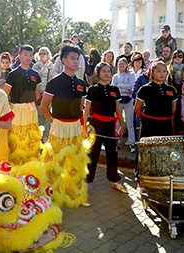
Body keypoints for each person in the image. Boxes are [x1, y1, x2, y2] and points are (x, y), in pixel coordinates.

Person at [40, 44, 89, 208]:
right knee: (55, 163)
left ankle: (74, 195)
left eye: (78, 58)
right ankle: (50, 197)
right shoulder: (55, 82)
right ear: (64, 60)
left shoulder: (82, 83)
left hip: (76, 126)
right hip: (59, 126)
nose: (76, 62)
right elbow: (44, 107)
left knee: (76, 162)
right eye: (72, 58)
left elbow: (81, 107)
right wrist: (55, 121)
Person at [84, 62, 128, 197]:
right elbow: (87, 110)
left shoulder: (115, 89)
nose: (107, 74)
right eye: (104, 71)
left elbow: (118, 110)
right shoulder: (92, 89)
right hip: (96, 125)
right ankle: (86, 183)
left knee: (112, 154)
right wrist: (83, 128)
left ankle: (115, 180)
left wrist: (121, 126)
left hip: (110, 126)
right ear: (98, 73)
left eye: (109, 71)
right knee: (93, 154)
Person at [1, 45, 43, 166]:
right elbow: (5, 95)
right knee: (18, 139)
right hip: (17, 110)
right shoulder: (13, 74)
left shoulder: (36, 74)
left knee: (32, 139)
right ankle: (16, 167)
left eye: (30, 55)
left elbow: (37, 94)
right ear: (19, 56)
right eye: (25, 55)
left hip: (31, 110)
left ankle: (31, 166)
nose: (28, 57)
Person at [134, 60, 177, 138]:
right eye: (159, 71)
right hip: (149, 124)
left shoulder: (171, 89)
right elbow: (137, 108)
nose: (162, 74)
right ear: (152, 73)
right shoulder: (144, 89)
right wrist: (146, 120)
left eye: (164, 71)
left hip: (166, 124)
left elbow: (173, 109)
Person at [112, 58, 136, 151]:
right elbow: (114, 87)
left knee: (130, 122)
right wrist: (123, 87)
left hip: (128, 100)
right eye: (120, 64)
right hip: (118, 101)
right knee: (117, 122)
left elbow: (131, 85)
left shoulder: (131, 74)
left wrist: (119, 85)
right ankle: (116, 141)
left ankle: (131, 142)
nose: (121, 65)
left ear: (126, 65)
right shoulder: (115, 76)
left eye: (123, 64)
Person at [33, 47, 55, 143]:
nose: (42, 55)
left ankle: (46, 135)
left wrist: (47, 92)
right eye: (40, 53)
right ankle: (39, 135)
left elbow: (53, 80)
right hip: (37, 93)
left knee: (46, 114)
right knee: (38, 114)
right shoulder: (35, 66)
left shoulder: (52, 66)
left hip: (48, 93)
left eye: (44, 53)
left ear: (48, 54)